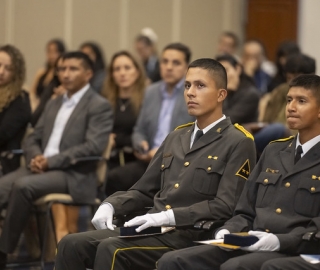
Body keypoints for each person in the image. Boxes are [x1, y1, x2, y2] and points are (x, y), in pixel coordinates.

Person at [55, 58, 256, 270]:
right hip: (154, 227)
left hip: (190, 234)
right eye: (187, 85)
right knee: (71, 244)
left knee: (112, 248)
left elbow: (225, 206)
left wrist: (169, 216)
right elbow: (144, 190)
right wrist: (112, 204)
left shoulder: (238, 141)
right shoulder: (177, 135)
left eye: (200, 86)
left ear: (221, 94)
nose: (190, 92)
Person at [157, 74, 320, 270]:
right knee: (173, 260)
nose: (291, 107)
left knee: (237, 267)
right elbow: (245, 210)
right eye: (288, 100)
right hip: (252, 241)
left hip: (296, 248)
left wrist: (279, 241)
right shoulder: (274, 150)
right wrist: (228, 230)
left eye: (301, 101)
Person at [0, 51, 113, 269]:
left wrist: (50, 161)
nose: (66, 74)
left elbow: (92, 147)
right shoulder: (55, 102)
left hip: (74, 174)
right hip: (40, 168)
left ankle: (3, 253)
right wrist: (35, 157)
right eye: (62, 69)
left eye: (73, 69)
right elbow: (33, 136)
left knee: (22, 186)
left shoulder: (99, 105)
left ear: (88, 74)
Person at [104, 43, 194, 196]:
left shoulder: (192, 93)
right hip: (149, 161)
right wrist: (141, 143)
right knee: (114, 179)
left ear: (187, 68)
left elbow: (194, 133)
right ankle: (120, 220)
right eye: (165, 62)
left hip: (180, 162)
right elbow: (139, 130)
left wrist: (163, 152)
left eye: (176, 63)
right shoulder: (151, 92)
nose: (169, 67)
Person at [100, 51, 146, 195]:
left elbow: (144, 133)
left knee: (114, 178)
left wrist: (117, 139)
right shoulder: (105, 100)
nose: (122, 73)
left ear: (137, 72)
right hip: (108, 156)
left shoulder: (146, 99)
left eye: (127, 68)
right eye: (117, 69)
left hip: (136, 158)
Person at [0, 45, 31, 175]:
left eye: (8, 69)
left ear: (16, 74)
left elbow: (2, 135)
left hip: (4, 161)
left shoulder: (20, 100)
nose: (1, 72)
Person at [216, 54, 260, 124]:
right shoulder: (218, 90)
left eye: (226, 70)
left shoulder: (250, 94)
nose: (223, 76)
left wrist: (225, 94)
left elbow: (227, 120)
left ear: (237, 69)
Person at [30, 38, 66, 111]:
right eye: (49, 52)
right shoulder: (41, 72)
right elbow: (32, 92)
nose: (52, 55)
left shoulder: (63, 74)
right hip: (37, 105)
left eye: (55, 52)